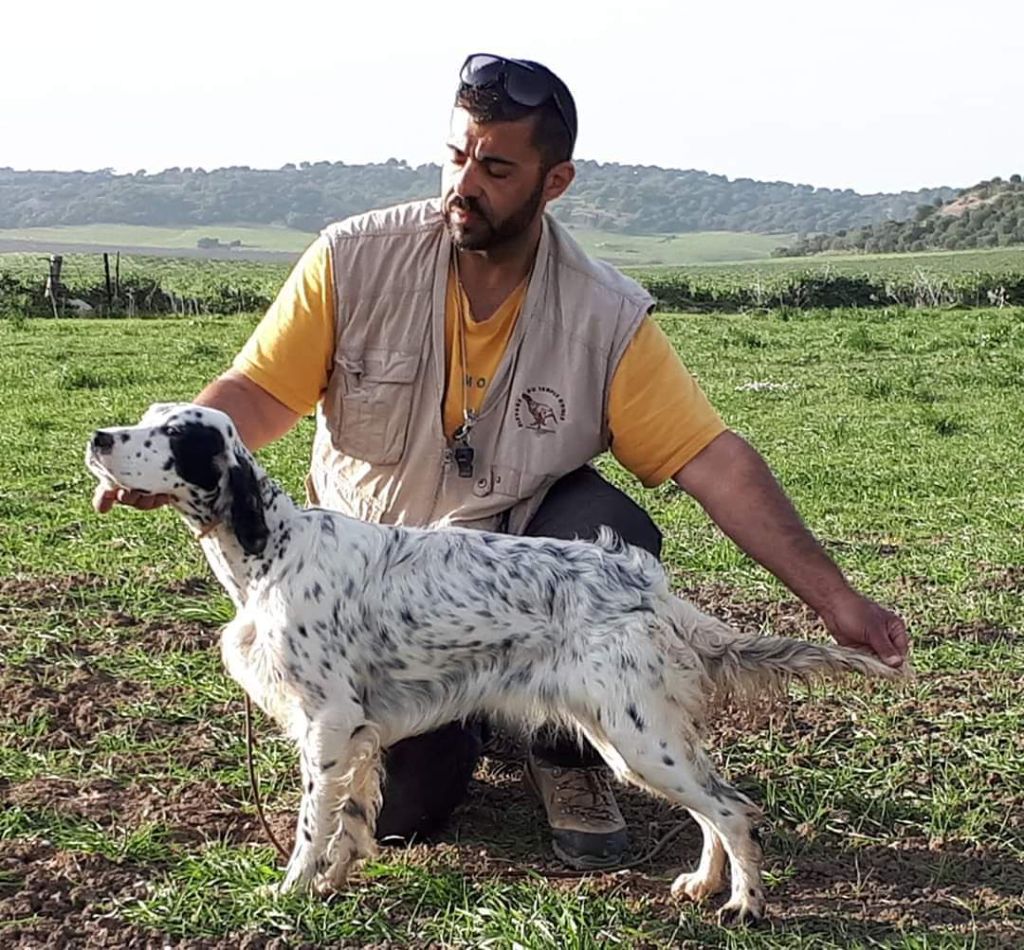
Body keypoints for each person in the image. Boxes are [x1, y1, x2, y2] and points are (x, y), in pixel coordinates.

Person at [95, 53, 909, 871]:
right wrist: (163, 464)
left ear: (555, 183)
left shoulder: (604, 314)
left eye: (495, 168)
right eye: (456, 155)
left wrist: (837, 599)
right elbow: (256, 394)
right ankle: (481, 722)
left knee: (610, 531)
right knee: (407, 811)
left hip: (522, 568)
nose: (464, 184)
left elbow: (713, 460)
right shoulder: (351, 259)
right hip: (376, 591)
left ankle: (568, 754)